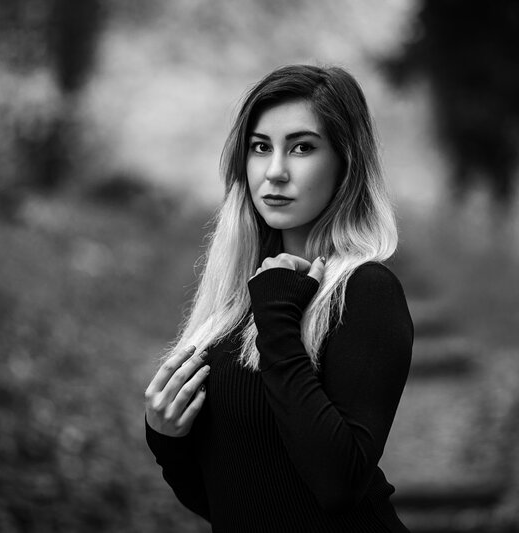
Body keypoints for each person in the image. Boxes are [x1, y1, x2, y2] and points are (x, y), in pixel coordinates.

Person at [145, 64, 414, 532]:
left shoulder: (365, 291)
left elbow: (339, 483)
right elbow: (225, 497)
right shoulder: (235, 301)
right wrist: (165, 437)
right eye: (260, 147)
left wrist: (278, 320)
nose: (275, 171)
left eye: (302, 147)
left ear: (346, 163)